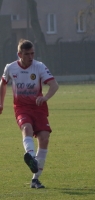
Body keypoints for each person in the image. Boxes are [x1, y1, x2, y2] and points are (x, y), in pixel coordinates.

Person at [0, 39, 59, 189]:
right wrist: (1, 103)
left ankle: (35, 179)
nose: (31, 57)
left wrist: (45, 97)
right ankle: (31, 156)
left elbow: (54, 85)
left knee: (44, 138)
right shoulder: (11, 68)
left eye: (32, 53)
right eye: (27, 54)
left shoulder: (39, 67)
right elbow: (3, 83)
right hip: (21, 107)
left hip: (38, 107)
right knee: (27, 128)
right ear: (19, 54)